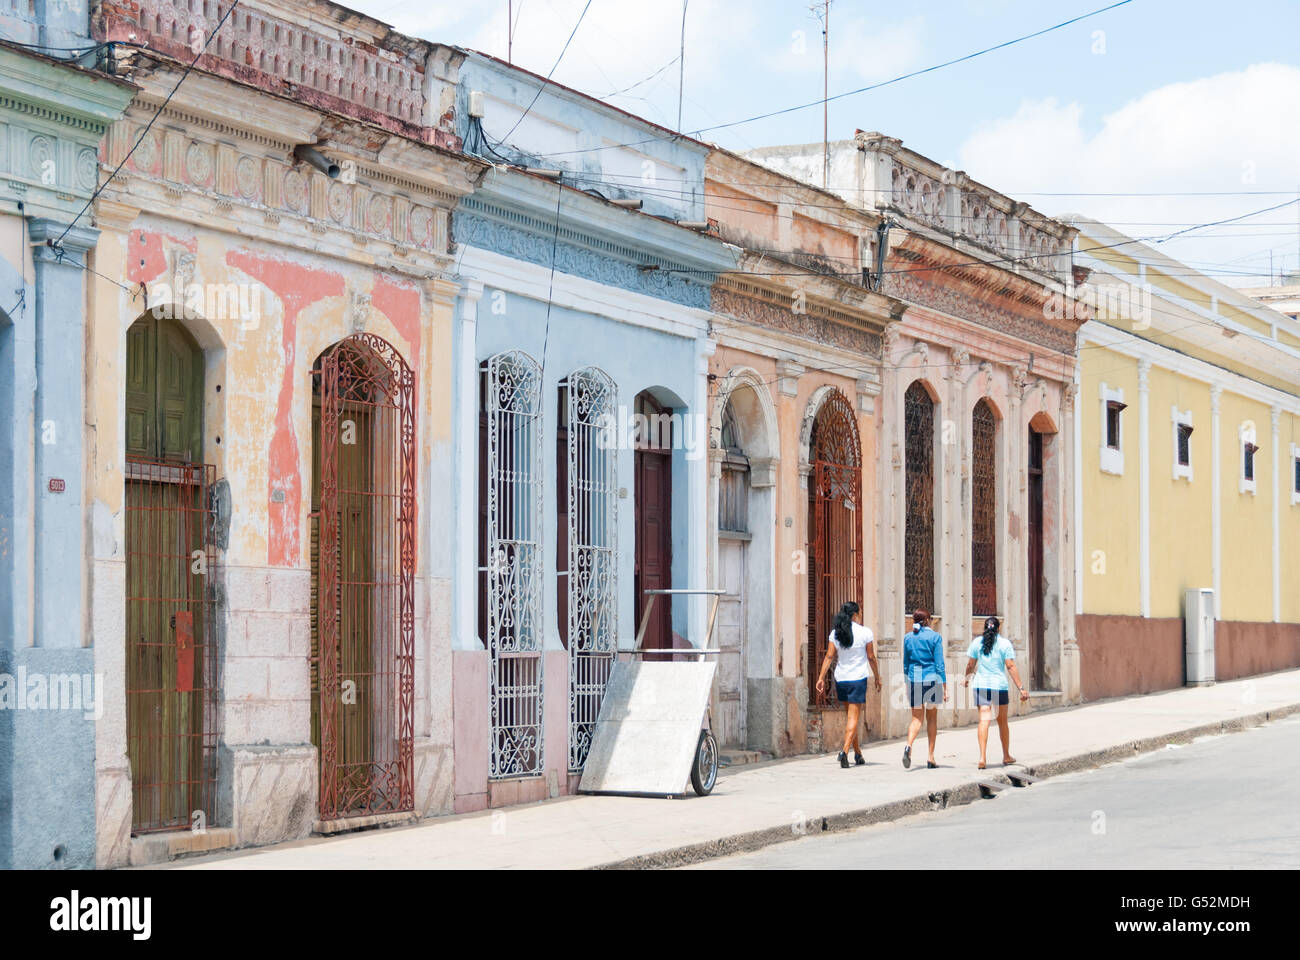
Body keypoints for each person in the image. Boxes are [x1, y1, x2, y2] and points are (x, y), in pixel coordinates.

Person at [815, 601, 880, 768]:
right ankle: (844, 752)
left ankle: (858, 753)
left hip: (841, 679)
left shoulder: (836, 633)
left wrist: (821, 677)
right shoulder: (865, 632)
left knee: (851, 717)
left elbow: (829, 656)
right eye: (860, 613)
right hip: (857, 679)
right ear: (855, 615)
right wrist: (878, 677)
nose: (861, 615)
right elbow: (871, 657)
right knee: (853, 718)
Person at [963, 616, 1029, 769]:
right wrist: (1021, 688)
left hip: (981, 686)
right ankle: (1006, 755)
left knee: (984, 720)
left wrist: (966, 679)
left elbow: (970, 664)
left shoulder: (976, 642)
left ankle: (982, 758)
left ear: (985, 628)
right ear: (998, 628)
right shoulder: (1005, 643)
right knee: (1002, 722)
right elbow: (1011, 666)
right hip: (999, 686)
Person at [902, 608, 946, 769]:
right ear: (928, 620)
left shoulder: (908, 638)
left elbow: (906, 664)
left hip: (914, 680)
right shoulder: (935, 637)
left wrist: (907, 684)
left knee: (916, 719)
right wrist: (945, 686)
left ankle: (908, 745)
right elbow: (939, 665)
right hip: (932, 680)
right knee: (932, 718)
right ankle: (930, 756)